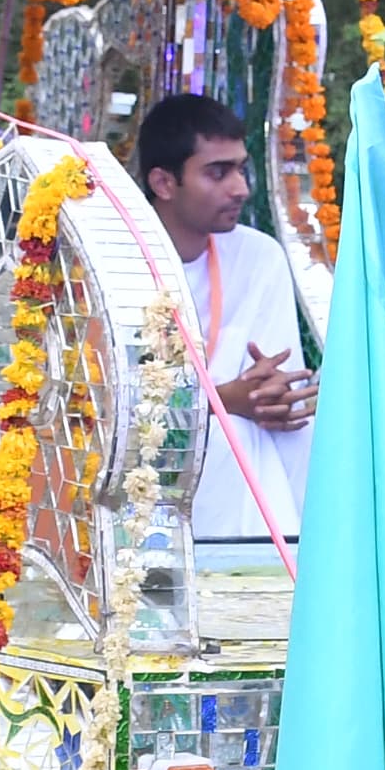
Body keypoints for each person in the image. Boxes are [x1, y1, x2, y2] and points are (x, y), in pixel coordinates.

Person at [136, 92, 313, 551]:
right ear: (163, 182)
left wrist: (255, 400)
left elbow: (272, 393)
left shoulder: (259, 256)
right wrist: (220, 401)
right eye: (218, 172)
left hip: (243, 468)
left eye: (240, 168)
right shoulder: (122, 260)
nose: (241, 189)